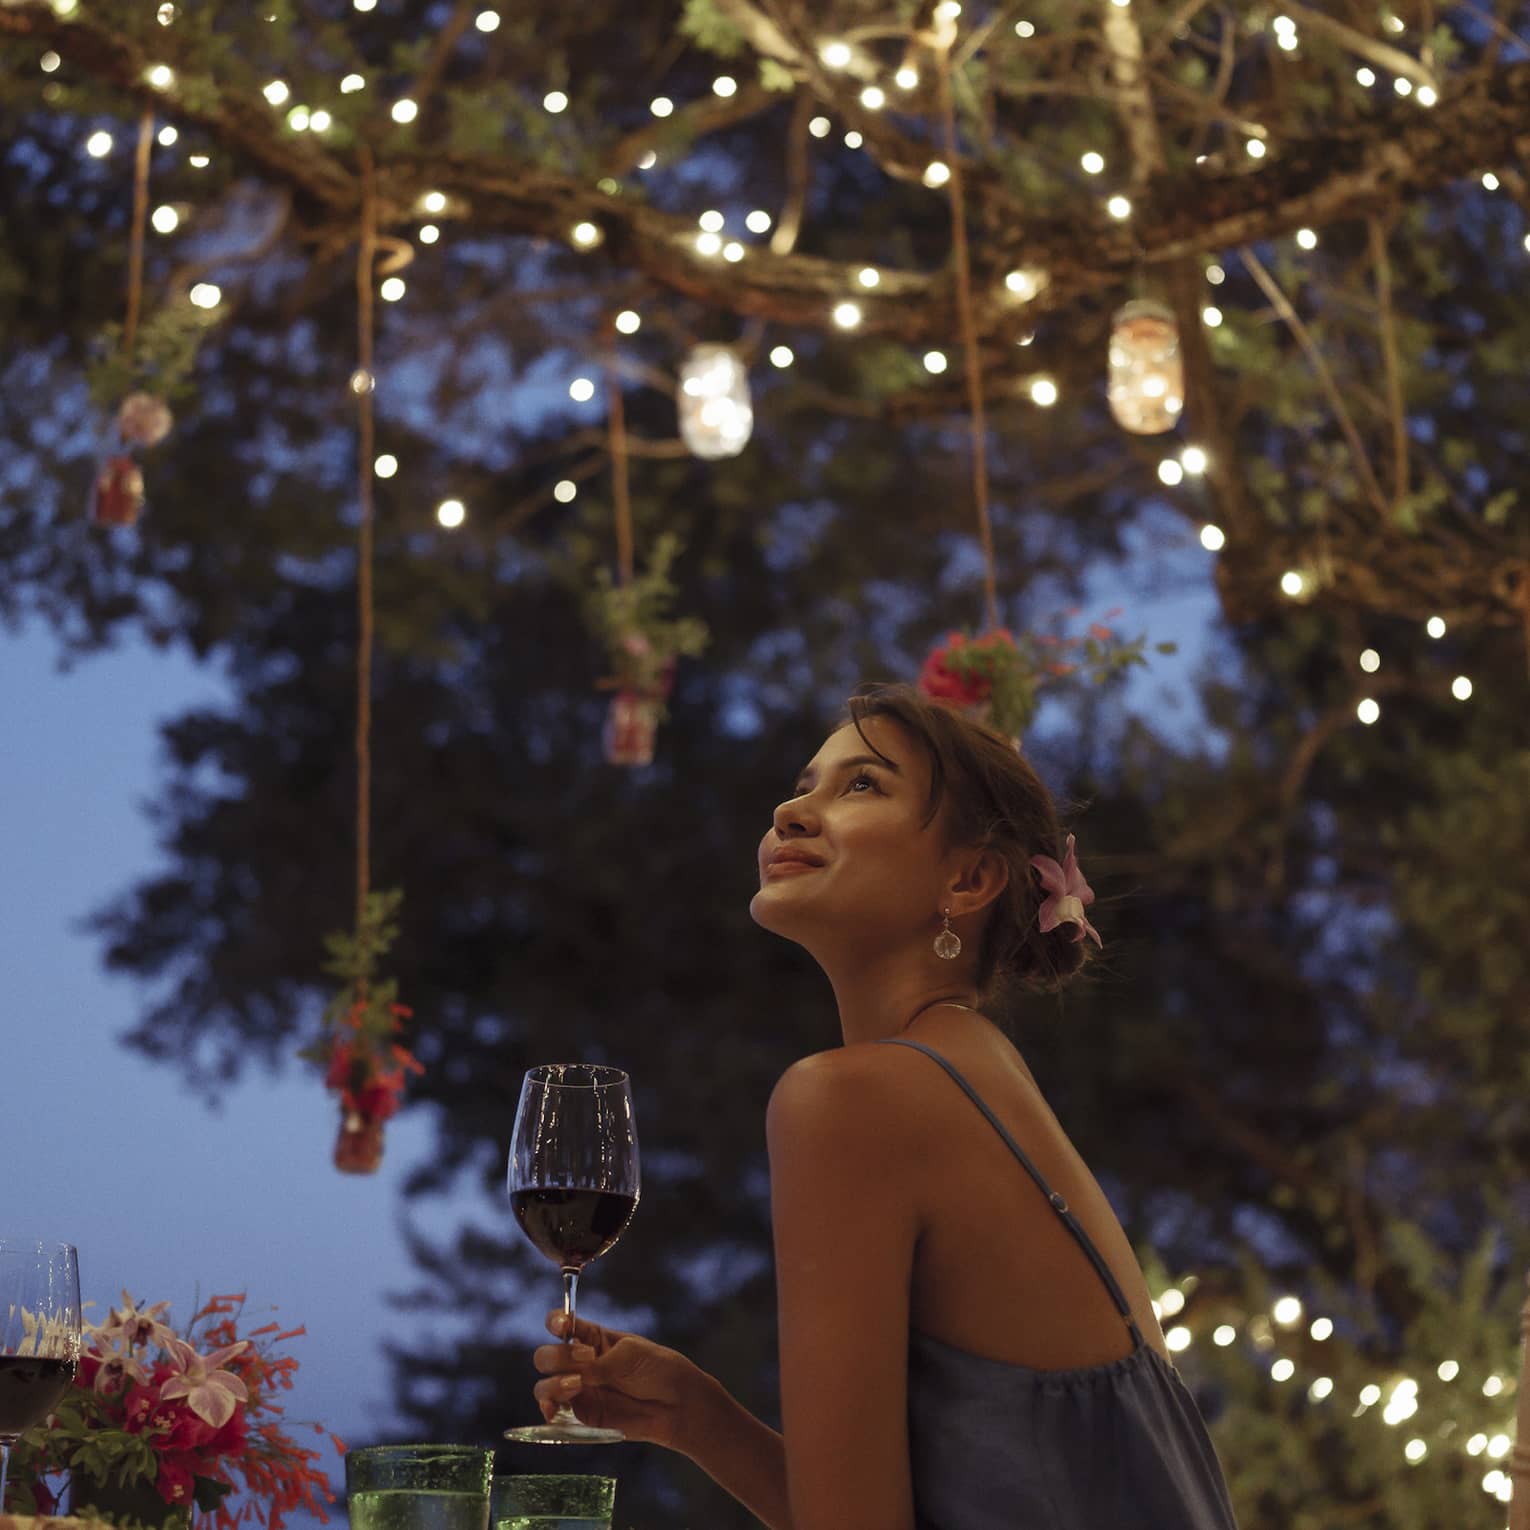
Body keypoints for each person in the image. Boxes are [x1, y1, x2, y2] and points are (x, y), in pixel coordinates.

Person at [530, 684, 1240, 1530]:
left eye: (860, 785)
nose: (793, 809)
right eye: (805, 783)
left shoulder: (855, 1098)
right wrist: (700, 1420)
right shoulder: (974, 1071)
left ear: (970, 877)